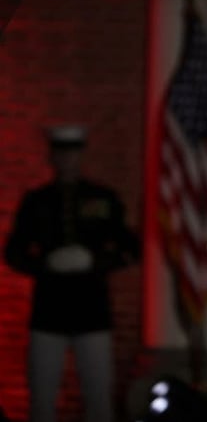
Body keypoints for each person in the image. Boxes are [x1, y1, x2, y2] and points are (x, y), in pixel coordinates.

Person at [4, 125, 140, 422]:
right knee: (41, 401)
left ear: (81, 155)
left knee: (99, 401)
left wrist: (94, 261)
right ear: (53, 156)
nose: (67, 159)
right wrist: (45, 264)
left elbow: (130, 249)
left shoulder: (103, 198)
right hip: (48, 314)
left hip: (92, 313)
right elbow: (13, 252)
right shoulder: (37, 201)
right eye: (61, 153)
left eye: (72, 152)